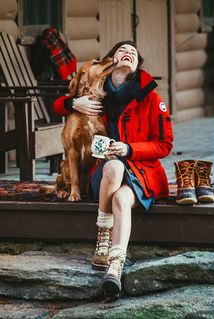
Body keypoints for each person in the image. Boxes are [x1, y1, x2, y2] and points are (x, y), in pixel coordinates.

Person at [54, 41, 174, 300]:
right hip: (106, 173)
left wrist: (129, 149)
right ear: (110, 62)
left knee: (121, 197)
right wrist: (75, 103)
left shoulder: (150, 97)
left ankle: (114, 266)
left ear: (137, 65)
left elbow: (164, 144)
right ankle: (103, 234)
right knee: (113, 167)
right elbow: (57, 105)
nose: (128, 53)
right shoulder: (98, 97)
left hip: (141, 173)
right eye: (122, 50)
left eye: (133, 52)